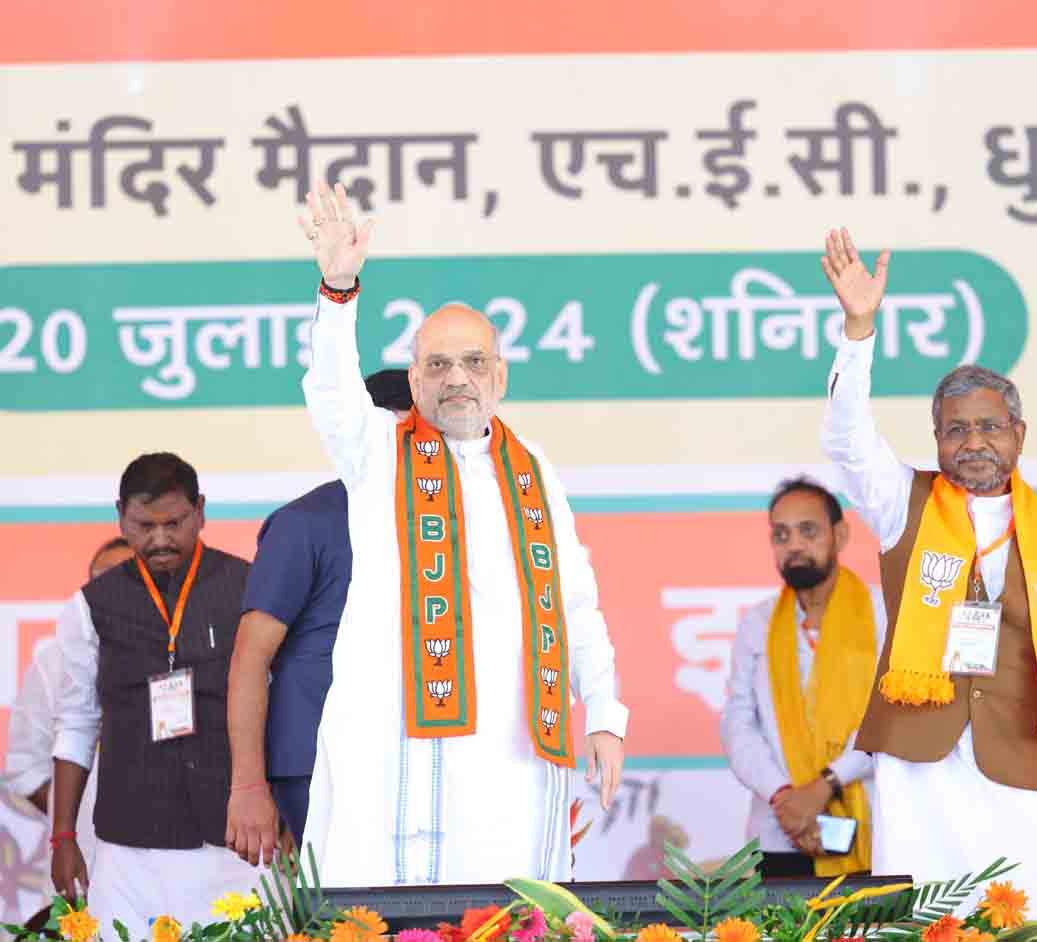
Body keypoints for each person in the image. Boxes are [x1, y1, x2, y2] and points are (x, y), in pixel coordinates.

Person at [297, 182, 627, 886]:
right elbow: (329, 389)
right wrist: (337, 289)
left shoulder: (534, 470)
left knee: (502, 913)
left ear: (500, 376)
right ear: (414, 380)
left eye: (474, 362)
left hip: (506, 752)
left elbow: (576, 605)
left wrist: (604, 711)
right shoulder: (375, 449)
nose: (457, 378)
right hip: (392, 743)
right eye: (438, 364)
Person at [818, 228, 1037, 917]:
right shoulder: (904, 503)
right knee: (926, 926)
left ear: (1019, 433)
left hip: (1028, 770)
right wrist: (858, 328)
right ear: (936, 440)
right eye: (956, 429)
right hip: (923, 778)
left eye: (988, 426)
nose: (973, 441)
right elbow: (846, 437)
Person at [51, 453, 260, 932]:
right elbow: (76, 722)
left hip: (233, 839)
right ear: (120, 515)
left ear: (201, 512)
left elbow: (279, 708)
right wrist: (63, 836)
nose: (160, 538)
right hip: (130, 845)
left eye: (175, 523)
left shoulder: (250, 588)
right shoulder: (90, 606)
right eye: (144, 525)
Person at [225, 369, 412, 865]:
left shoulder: (449, 524)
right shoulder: (304, 523)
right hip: (321, 765)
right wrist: (248, 785)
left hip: (421, 761)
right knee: (349, 920)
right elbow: (250, 658)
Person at [721, 477, 881, 878]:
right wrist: (785, 798)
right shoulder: (757, 623)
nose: (794, 545)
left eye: (808, 531)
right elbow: (738, 722)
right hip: (781, 830)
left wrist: (827, 785)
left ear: (840, 535)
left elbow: (893, 717)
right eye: (781, 534)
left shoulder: (883, 616)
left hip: (871, 828)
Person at [3, 538, 134, 924]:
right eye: (101, 583)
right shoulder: (54, 659)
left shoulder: (182, 648)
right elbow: (25, 767)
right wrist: (74, 813)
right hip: (83, 851)